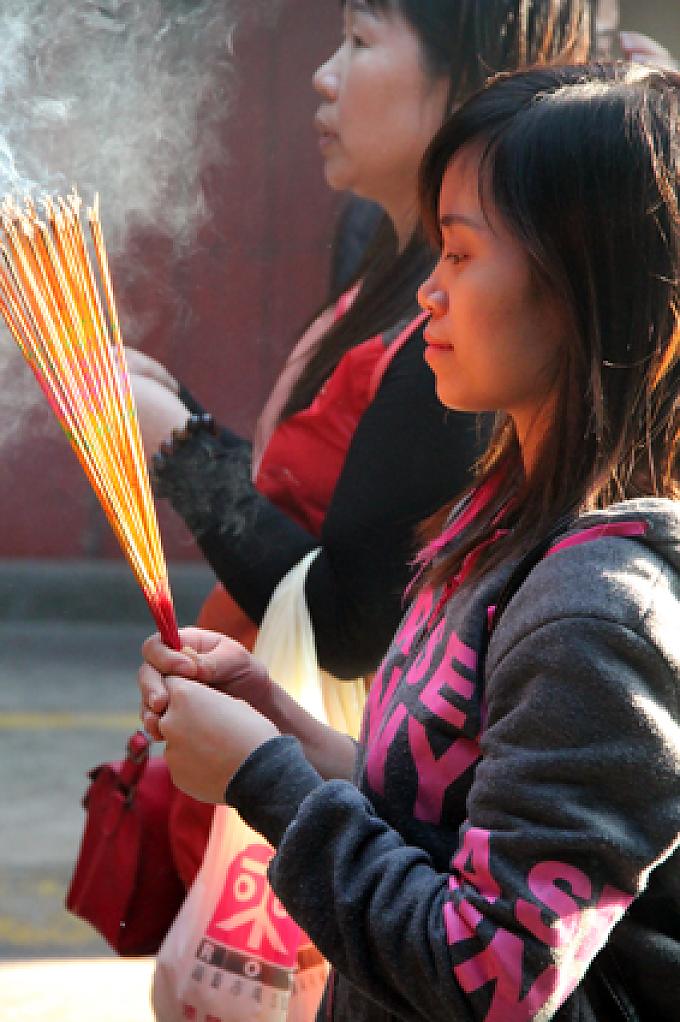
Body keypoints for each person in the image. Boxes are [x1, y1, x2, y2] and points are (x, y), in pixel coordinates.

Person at [139, 61, 680, 1020]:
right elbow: (439, 817)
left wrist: (263, 779)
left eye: (462, 255)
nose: (426, 293)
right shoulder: (498, 523)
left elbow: (492, 978)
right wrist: (278, 724)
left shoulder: (594, 613)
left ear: (583, 287)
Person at [125, 0, 593, 886]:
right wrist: (277, 728)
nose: (324, 72)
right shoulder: (384, 261)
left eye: (362, 39)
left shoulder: (588, 604)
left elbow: (486, 948)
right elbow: (413, 803)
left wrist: (183, 450)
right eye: (441, 254)